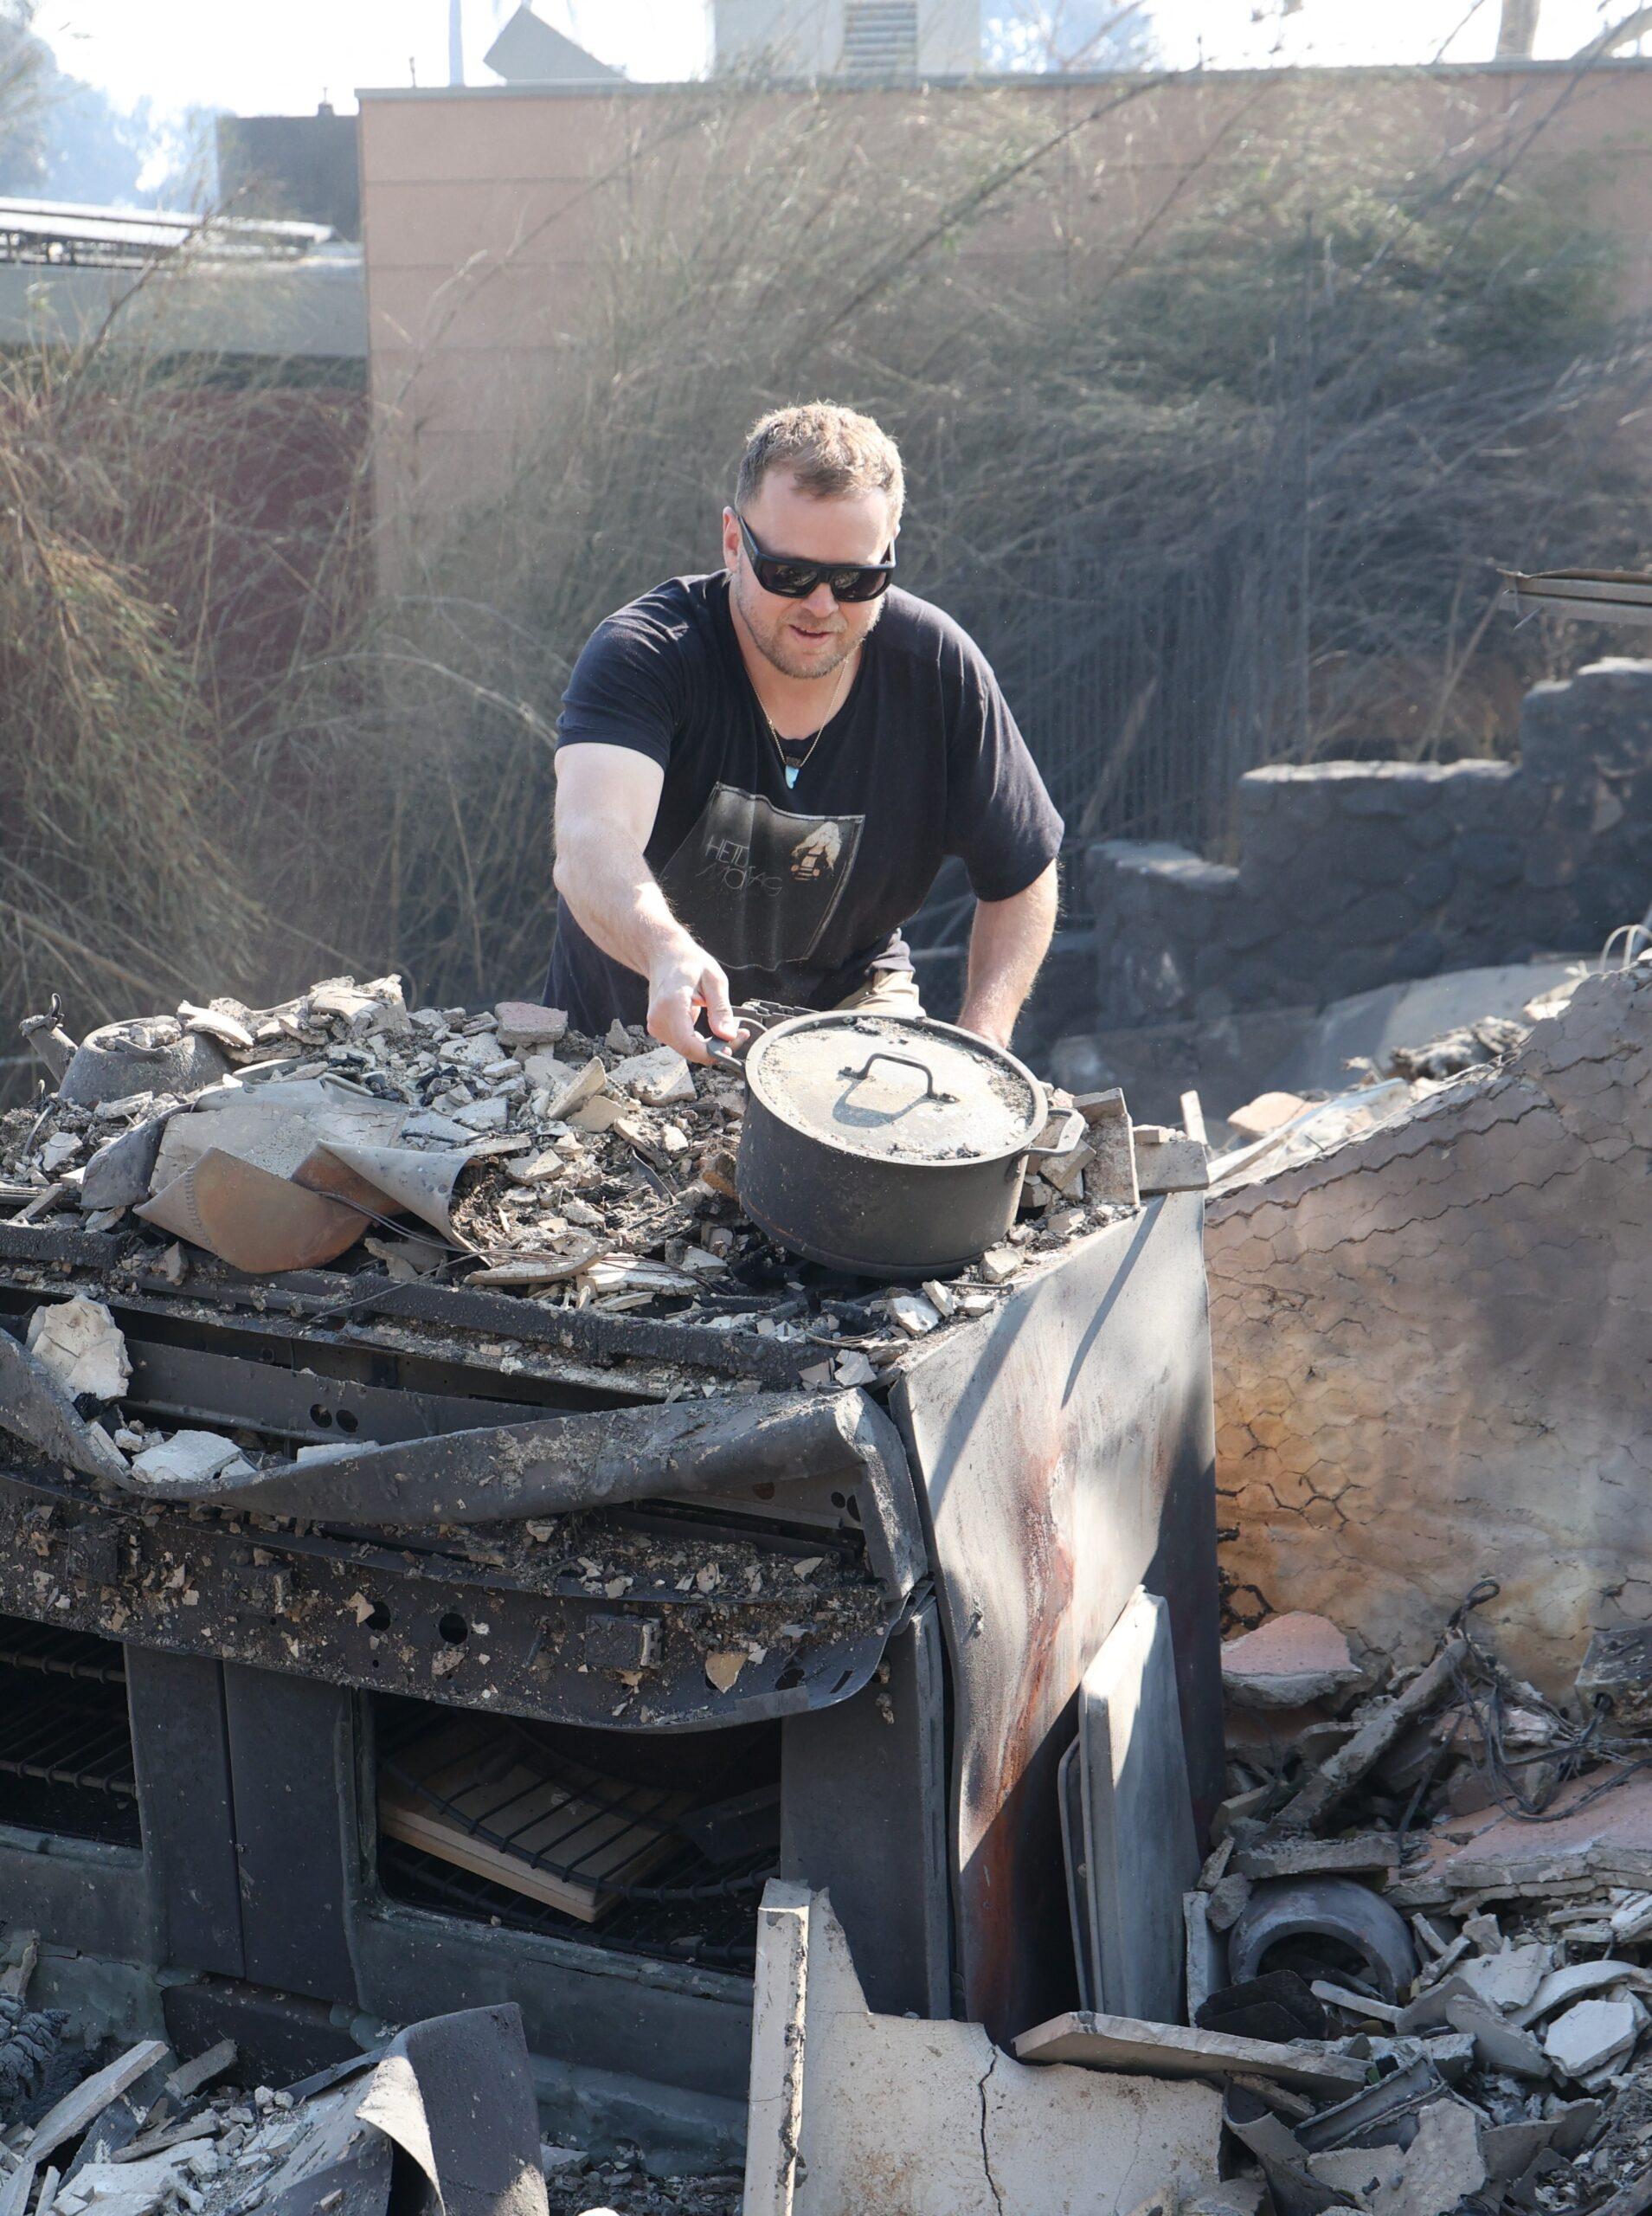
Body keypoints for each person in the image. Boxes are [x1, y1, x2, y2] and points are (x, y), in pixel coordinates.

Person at [548, 402, 1063, 1064]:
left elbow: (1022, 869)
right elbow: (591, 841)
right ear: (733, 543)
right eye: (789, 575)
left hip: (850, 1028)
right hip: (631, 1034)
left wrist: (985, 1036)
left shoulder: (935, 669)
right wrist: (665, 950)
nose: (822, 607)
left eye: (856, 580)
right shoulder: (647, 653)